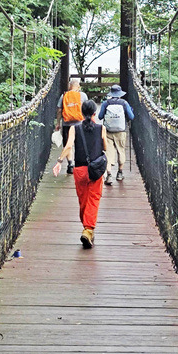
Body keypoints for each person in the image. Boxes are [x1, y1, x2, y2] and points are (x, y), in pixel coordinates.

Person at [53, 98, 108, 247]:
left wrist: (59, 162)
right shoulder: (101, 128)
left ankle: (87, 229)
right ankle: (88, 229)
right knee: (93, 199)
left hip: (80, 170)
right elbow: (105, 147)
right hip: (95, 170)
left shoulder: (74, 128)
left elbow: (69, 146)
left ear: (81, 113)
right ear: (95, 113)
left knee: (83, 200)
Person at [97, 83, 134, 183]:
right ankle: (120, 173)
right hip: (121, 132)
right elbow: (131, 117)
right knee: (121, 151)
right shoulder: (124, 103)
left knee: (108, 153)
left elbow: (100, 117)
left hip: (108, 132)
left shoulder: (106, 103)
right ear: (120, 94)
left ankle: (109, 175)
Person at [57, 75, 87, 175]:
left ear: (70, 86)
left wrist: (58, 123)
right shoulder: (83, 95)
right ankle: (78, 163)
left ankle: (70, 164)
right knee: (79, 144)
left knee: (67, 144)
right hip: (79, 124)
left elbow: (59, 110)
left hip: (66, 124)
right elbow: (86, 108)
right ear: (78, 86)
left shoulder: (64, 95)